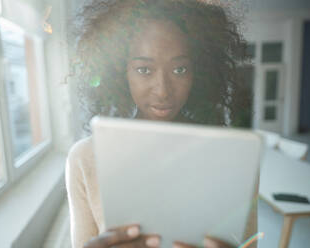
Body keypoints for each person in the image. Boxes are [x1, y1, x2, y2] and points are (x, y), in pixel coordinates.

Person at [65, 0, 256, 247]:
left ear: (198, 72)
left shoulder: (232, 156)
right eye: (144, 70)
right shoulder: (86, 158)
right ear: (120, 73)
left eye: (179, 70)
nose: (163, 90)